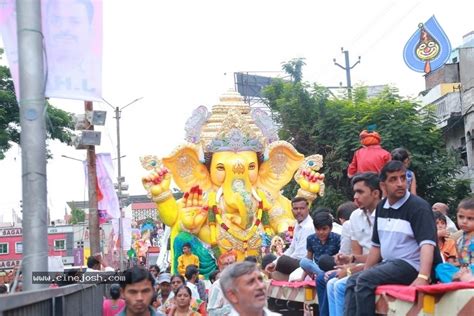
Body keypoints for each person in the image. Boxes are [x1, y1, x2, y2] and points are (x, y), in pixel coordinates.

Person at [344, 161, 441, 316]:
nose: (400, 183)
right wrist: (366, 270)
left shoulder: (418, 207)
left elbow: (428, 245)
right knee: (352, 281)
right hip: (390, 264)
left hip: (411, 266)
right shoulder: (382, 207)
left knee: (364, 281)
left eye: (403, 178)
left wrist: (423, 276)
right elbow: (376, 246)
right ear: (383, 186)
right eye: (393, 179)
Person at [320, 172, 381, 316]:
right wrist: (349, 262)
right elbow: (356, 254)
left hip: (380, 264)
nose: (355, 197)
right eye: (354, 192)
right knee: (330, 283)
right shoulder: (355, 216)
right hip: (363, 264)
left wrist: (350, 270)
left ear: (376, 193)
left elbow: (381, 256)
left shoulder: (385, 215)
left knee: (340, 285)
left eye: (360, 192)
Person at [44, 0, 101, 98]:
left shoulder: (95, 68)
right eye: (56, 20)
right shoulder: (32, 68)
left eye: (75, 22)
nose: (64, 28)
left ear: (90, 30)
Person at [265, 197, 315, 278]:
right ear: (292, 210)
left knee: (283, 261)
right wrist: (275, 262)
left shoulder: (309, 227)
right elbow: (292, 249)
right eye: (295, 208)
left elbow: (300, 255)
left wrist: (280, 262)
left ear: (307, 210)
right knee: (271, 261)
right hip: (297, 261)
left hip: (306, 263)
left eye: (302, 208)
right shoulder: (297, 225)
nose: (298, 211)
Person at [435, 198, 474, 283]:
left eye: (470, 218)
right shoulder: (459, 240)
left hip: (471, 270)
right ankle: (460, 279)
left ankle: (465, 280)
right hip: (463, 270)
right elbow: (461, 261)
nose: (464, 221)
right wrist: (459, 270)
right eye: (461, 217)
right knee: (441, 268)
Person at [299, 211, 341, 279]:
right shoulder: (311, 239)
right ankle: (320, 275)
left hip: (331, 266)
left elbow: (340, 258)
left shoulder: (337, 238)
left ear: (330, 228)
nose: (321, 232)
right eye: (318, 229)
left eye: (324, 229)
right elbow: (309, 259)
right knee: (303, 262)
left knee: (323, 259)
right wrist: (302, 278)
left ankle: (323, 275)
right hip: (317, 268)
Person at [207, 251, 237, 316]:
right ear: (220, 268)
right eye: (226, 264)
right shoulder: (217, 285)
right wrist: (232, 308)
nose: (229, 266)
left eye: (231, 263)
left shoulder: (242, 281)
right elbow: (212, 312)